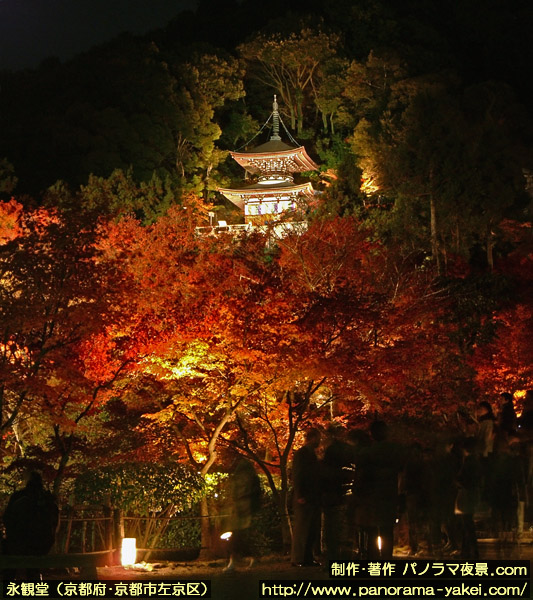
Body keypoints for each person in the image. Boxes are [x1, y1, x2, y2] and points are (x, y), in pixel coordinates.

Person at [354, 420, 405, 559]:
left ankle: (374, 561)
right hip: (389, 496)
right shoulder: (396, 451)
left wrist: (358, 494)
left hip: (371, 498)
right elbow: (402, 473)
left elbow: (360, 477)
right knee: (387, 531)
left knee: (371, 532)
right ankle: (386, 560)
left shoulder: (366, 453)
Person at [2, 470, 59, 580]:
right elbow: (55, 523)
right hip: (42, 545)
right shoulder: (48, 500)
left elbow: (7, 519)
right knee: (33, 571)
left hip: (18, 544)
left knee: (10, 567)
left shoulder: (19, 497)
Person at [224, 458, 262, 572]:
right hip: (245, 510)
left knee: (236, 537)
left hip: (239, 510)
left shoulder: (237, 477)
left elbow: (233, 493)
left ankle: (234, 562)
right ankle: (250, 557)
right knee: (240, 536)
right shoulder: (253, 478)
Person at [320, 424, 352, 562]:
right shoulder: (346, 460)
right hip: (342, 496)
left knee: (331, 529)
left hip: (330, 497)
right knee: (344, 530)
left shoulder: (328, 463)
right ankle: (344, 557)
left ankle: (332, 558)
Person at [290, 428, 321, 567]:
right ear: (312, 438)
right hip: (305, 496)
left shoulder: (310, 453)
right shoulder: (302, 454)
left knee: (311, 528)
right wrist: (300, 494)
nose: (319, 441)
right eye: (318, 438)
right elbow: (298, 474)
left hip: (311, 496)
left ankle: (307, 557)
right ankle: (298, 558)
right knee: (302, 528)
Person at [455, 437, 482, 559]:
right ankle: (466, 552)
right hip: (472, 495)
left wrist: (457, 482)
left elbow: (463, 479)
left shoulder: (469, 462)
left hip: (467, 495)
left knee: (467, 525)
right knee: (467, 524)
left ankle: (472, 551)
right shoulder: (475, 461)